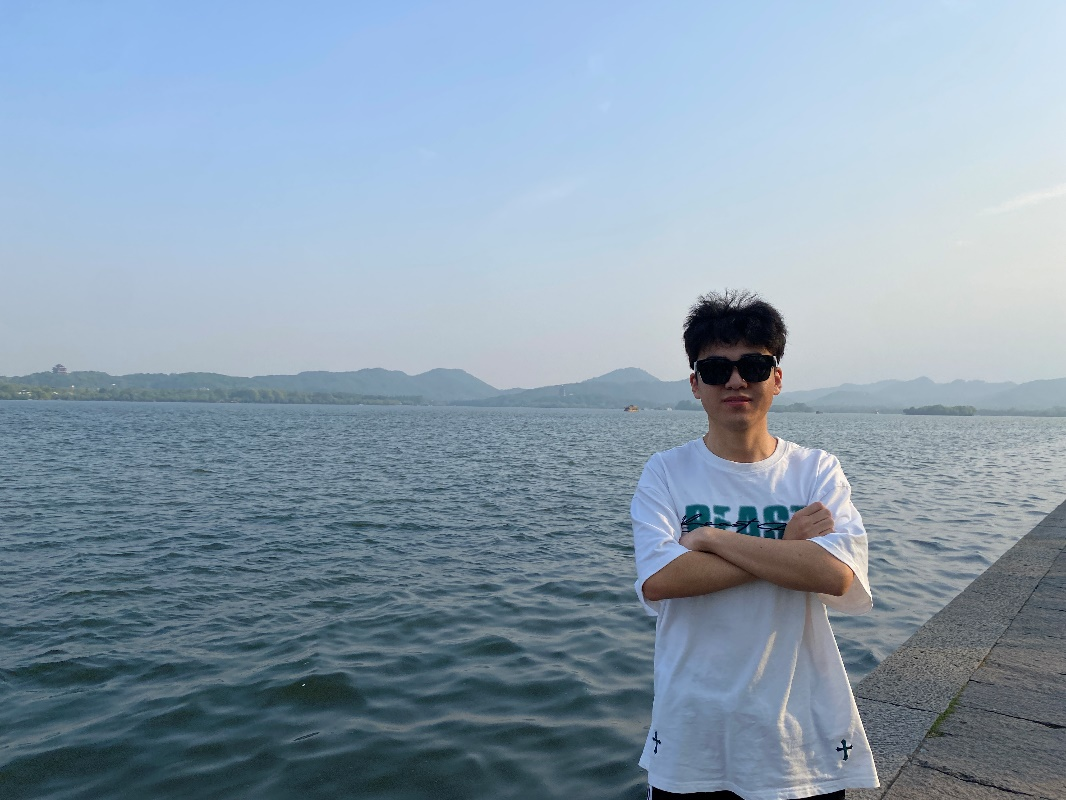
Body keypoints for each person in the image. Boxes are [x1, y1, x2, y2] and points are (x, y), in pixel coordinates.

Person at [631, 290, 879, 800]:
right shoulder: (666, 472)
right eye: (716, 369)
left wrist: (711, 539)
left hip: (799, 740)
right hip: (691, 737)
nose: (736, 381)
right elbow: (661, 580)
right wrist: (786, 545)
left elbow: (835, 574)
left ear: (777, 378)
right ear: (696, 384)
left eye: (753, 366)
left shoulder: (815, 470)